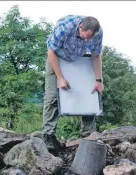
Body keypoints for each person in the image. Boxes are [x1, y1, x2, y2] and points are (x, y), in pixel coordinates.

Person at [43, 15, 104, 152]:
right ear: (80, 27)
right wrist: (60, 77)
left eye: (90, 38)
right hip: (57, 56)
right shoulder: (64, 28)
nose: (88, 40)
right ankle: (48, 135)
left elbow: (96, 55)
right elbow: (51, 52)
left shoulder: (98, 33)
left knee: (90, 93)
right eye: (85, 37)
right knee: (52, 97)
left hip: (80, 58)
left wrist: (99, 80)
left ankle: (89, 135)